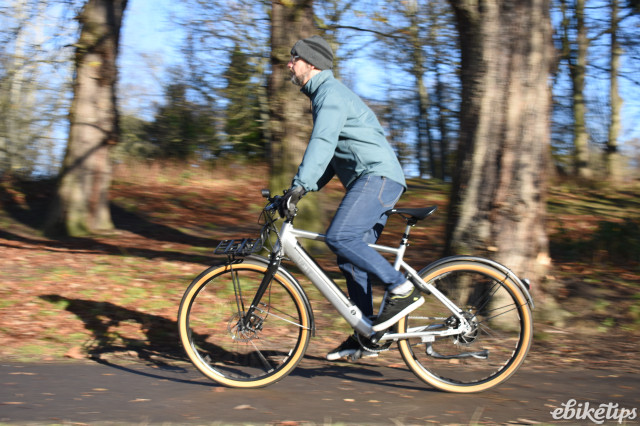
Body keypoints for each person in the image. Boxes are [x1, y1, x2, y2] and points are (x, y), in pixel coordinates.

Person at [279, 35, 424, 361]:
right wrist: (299, 189)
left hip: (377, 178)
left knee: (339, 237)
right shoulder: (325, 95)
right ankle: (368, 335)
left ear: (311, 63)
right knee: (349, 257)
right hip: (376, 179)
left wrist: (300, 184)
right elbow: (331, 157)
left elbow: (323, 142)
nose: (289, 65)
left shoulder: (329, 94)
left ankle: (401, 288)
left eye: (294, 59)